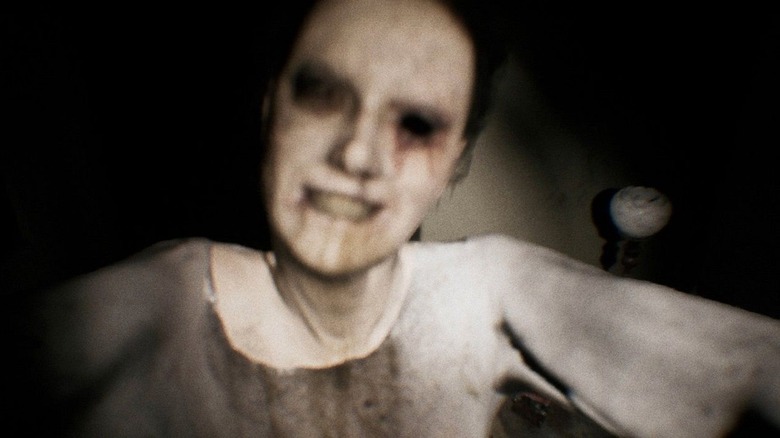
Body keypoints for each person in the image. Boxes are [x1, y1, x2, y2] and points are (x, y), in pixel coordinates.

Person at [14, 0, 779, 436]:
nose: (357, 152)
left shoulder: (487, 295)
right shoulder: (154, 316)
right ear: (271, 107)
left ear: (454, 164)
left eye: (415, 124)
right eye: (323, 94)